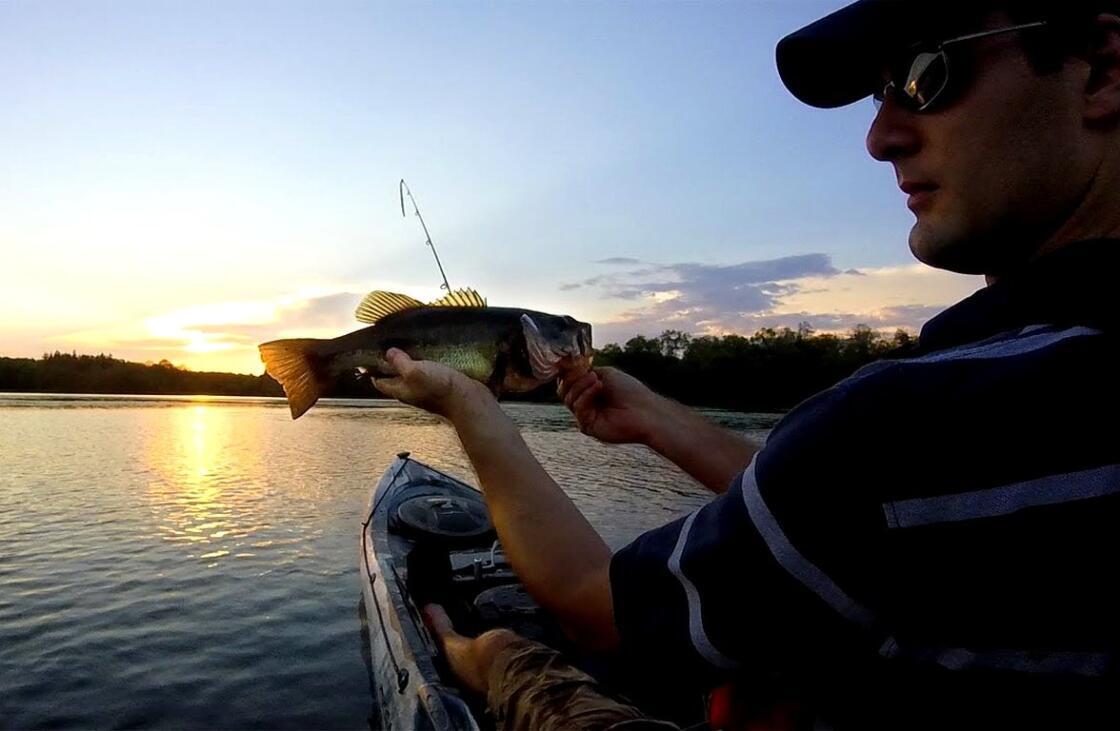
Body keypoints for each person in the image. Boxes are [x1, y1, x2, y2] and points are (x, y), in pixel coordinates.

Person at [373, 0, 1120, 727]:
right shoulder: (1007, 414)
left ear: (1101, 71)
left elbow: (597, 604)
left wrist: (470, 405)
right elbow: (848, 519)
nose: (880, 136)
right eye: (880, 93)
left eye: (929, 74)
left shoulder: (923, 419)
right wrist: (660, 420)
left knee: (504, 653)